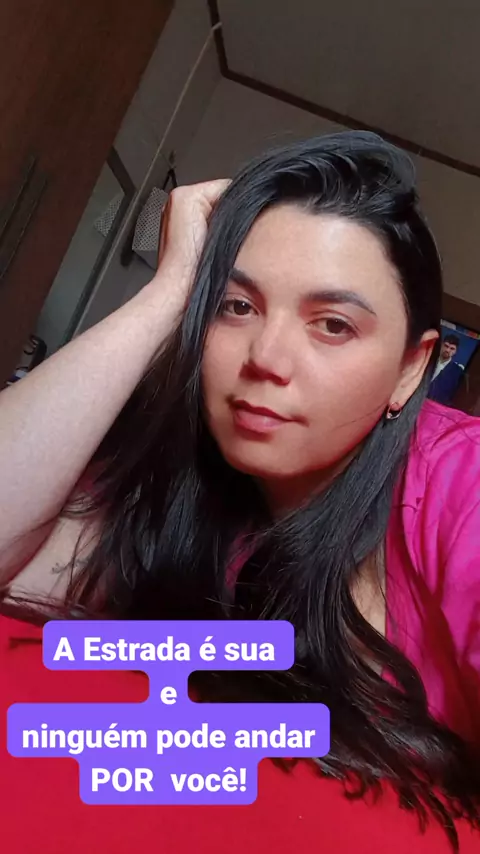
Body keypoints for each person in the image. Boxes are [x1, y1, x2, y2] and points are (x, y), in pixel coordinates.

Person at [0, 132, 480, 853]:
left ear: (413, 370)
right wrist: (169, 293)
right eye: (235, 306)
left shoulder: (461, 484)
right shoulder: (190, 487)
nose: (266, 359)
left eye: (333, 325)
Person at [428, 334, 465, 405]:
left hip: (436, 406)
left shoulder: (457, 372)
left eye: (452, 348)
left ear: (455, 352)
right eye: (446, 346)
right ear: (441, 345)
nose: (447, 350)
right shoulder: (428, 360)